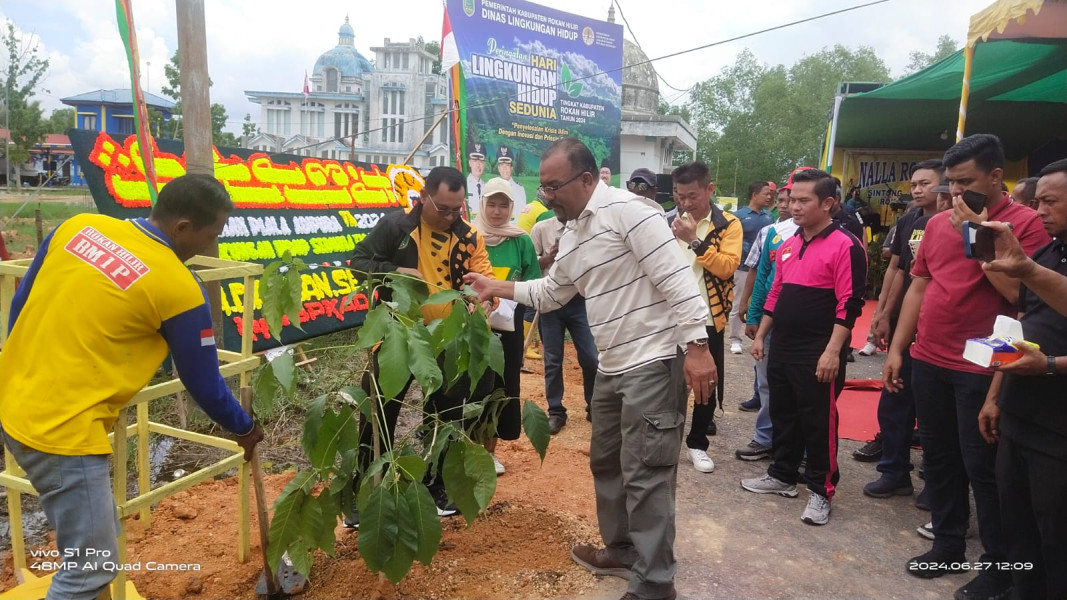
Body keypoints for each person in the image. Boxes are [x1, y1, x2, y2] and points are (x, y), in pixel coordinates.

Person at [463, 137, 715, 600]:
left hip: (654, 361)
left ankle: (656, 581)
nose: (546, 196)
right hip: (613, 366)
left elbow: (676, 278)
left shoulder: (629, 212)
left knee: (647, 471)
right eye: (541, 188)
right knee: (606, 461)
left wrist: (698, 346)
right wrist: (493, 285)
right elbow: (552, 293)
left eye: (553, 186)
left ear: (585, 179)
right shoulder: (574, 232)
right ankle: (622, 550)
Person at [0, 174, 263, 600]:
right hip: (62, 434)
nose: (211, 246)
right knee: (90, 570)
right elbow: (204, 382)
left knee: (86, 550)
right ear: (182, 227)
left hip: (11, 397)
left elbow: (21, 300)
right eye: (211, 235)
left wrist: (23, 363)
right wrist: (244, 427)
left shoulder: (80, 226)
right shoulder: (179, 289)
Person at [882, 134, 1049, 600]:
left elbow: (1022, 298)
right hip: (931, 356)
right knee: (938, 457)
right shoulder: (938, 225)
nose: (955, 193)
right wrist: (899, 347)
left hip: (983, 362)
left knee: (985, 468)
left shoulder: (1024, 225)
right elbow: (919, 286)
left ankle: (999, 566)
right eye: (950, 184)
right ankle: (949, 544)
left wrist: (976, 234)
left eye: (965, 182)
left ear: (997, 177)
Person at [346, 166, 496, 526]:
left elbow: (485, 280)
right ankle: (363, 491)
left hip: (448, 338)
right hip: (397, 334)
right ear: (424, 196)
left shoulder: (469, 236)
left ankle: (436, 484)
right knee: (379, 413)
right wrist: (395, 272)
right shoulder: (396, 228)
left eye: (456, 209)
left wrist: (483, 301)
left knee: (447, 414)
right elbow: (358, 262)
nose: (449, 216)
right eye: (442, 208)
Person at [741, 168, 866, 526]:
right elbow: (777, 292)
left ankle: (821, 490)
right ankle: (782, 475)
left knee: (818, 420)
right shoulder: (790, 243)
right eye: (791, 199)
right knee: (783, 410)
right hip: (784, 342)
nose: (793, 206)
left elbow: (849, 303)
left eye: (803, 200)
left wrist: (832, 351)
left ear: (827, 203)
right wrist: (763, 334)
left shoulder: (846, 245)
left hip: (819, 346)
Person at [978, 159, 1067, 600]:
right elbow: (1025, 320)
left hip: (1058, 429)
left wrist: (1051, 366)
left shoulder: (1039, 262)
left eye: (1050, 201)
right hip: (1020, 412)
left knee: (1056, 535)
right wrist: (996, 394)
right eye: (1036, 201)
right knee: (1019, 523)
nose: (1040, 210)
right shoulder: (1050, 251)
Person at [858, 160, 947, 498]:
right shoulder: (909, 220)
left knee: (934, 409)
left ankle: (938, 485)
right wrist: (882, 313)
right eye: (914, 185)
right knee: (894, 398)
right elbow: (897, 269)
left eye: (926, 183)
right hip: (905, 326)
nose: (918, 190)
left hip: (940, 328)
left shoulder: (963, 223)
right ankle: (894, 471)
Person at [669, 161, 742, 473]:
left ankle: (697, 444)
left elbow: (727, 267)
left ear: (709, 190)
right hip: (670, 316)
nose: (686, 203)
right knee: (668, 383)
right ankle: (667, 441)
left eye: (692, 196)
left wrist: (694, 240)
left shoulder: (728, 225)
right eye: (680, 195)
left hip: (708, 317)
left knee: (705, 384)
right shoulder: (668, 221)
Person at [474, 177, 541, 475]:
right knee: (472, 384)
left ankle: (489, 452)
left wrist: (504, 295)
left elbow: (533, 282)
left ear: (512, 207)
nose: (497, 211)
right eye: (492, 204)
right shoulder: (470, 235)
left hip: (508, 324)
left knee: (501, 384)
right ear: (482, 204)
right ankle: (466, 451)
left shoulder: (521, 240)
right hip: (471, 323)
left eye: (504, 205)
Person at [733, 183, 797, 460]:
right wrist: (753, 313)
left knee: (801, 389)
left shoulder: (826, 236)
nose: (787, 205)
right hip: (770, 322)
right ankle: (765, 437)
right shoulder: (770, 233)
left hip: (806, 326)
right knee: (767, 383)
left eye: (793, 199)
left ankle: (796, 447)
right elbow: (760, 275)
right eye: (783, 200)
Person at [529, 213, 598, 434]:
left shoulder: (586, 227)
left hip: (580, 302)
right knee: (552, 359)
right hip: (550, 303)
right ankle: (556, 412)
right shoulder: (541, 229)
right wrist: (549, 258)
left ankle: (594, 406)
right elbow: (532, 265)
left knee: (590, 357)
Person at [728, 181, 775, 354]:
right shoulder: (738, 216)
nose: (769, 197)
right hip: (742, 267)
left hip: (764, 269)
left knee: (763, 302)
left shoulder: (769, 217)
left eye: (770, 194)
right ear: (755, 195)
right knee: (739, 302)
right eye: (766, 193)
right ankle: (734, 339)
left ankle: (761, 336)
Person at [495, 145, 527, 218]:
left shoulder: (519, 189)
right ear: (498, 168)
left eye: (507, 165)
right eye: (502, 165)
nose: (504, 169)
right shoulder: (491, 187)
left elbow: (522, 213)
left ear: (511, 168)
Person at [466, 142, 487, 219]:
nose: (478, 165)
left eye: (481, 161)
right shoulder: (463, 185)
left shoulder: (488, 187)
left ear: (484, 164)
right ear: (470, 163)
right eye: (475, 161)